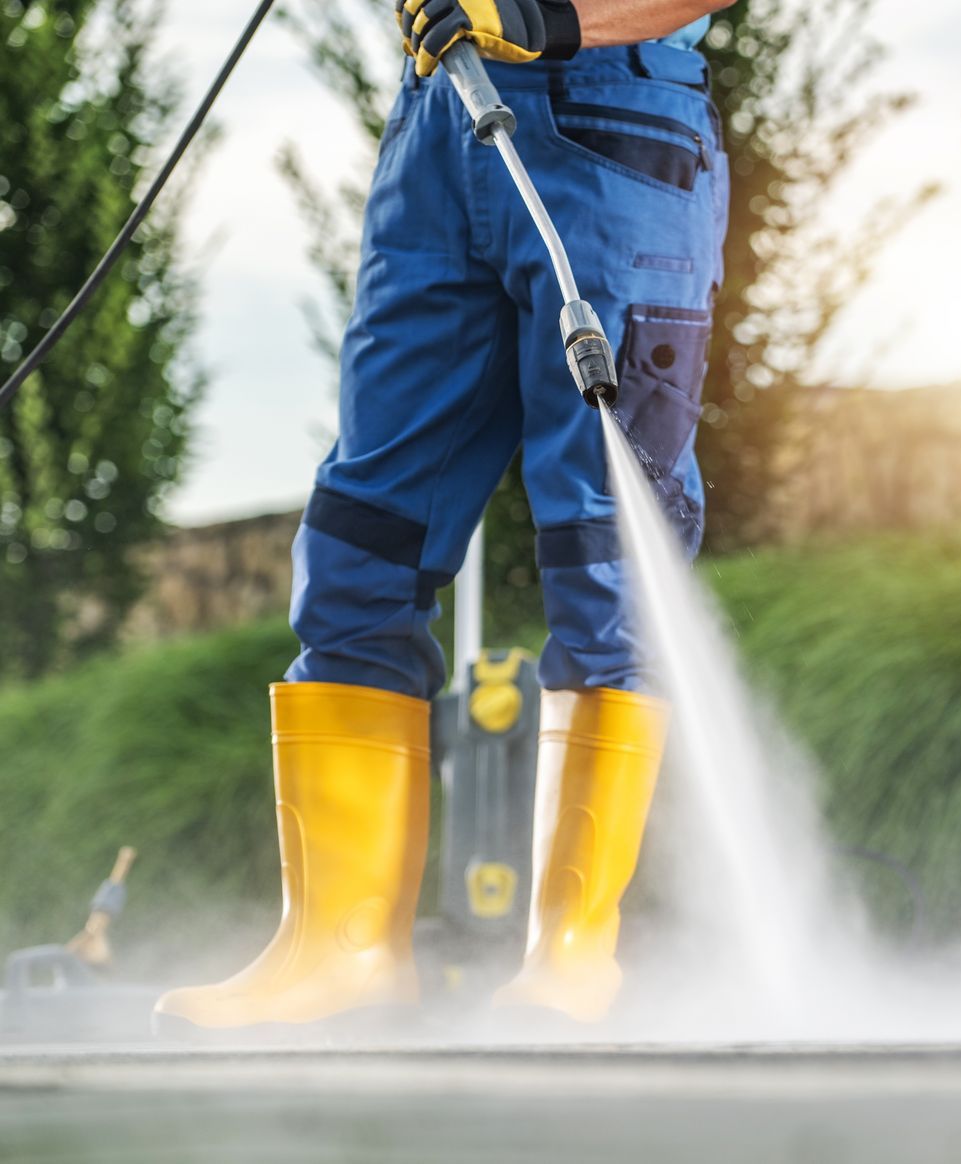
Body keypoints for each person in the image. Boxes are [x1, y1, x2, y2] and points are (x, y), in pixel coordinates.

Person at [153, 0, 734, 1033]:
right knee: (360, 537)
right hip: (438, 121)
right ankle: (339, 955)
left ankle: (573, 960)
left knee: (608, 550)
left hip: (615, 120)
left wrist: (542, 16)